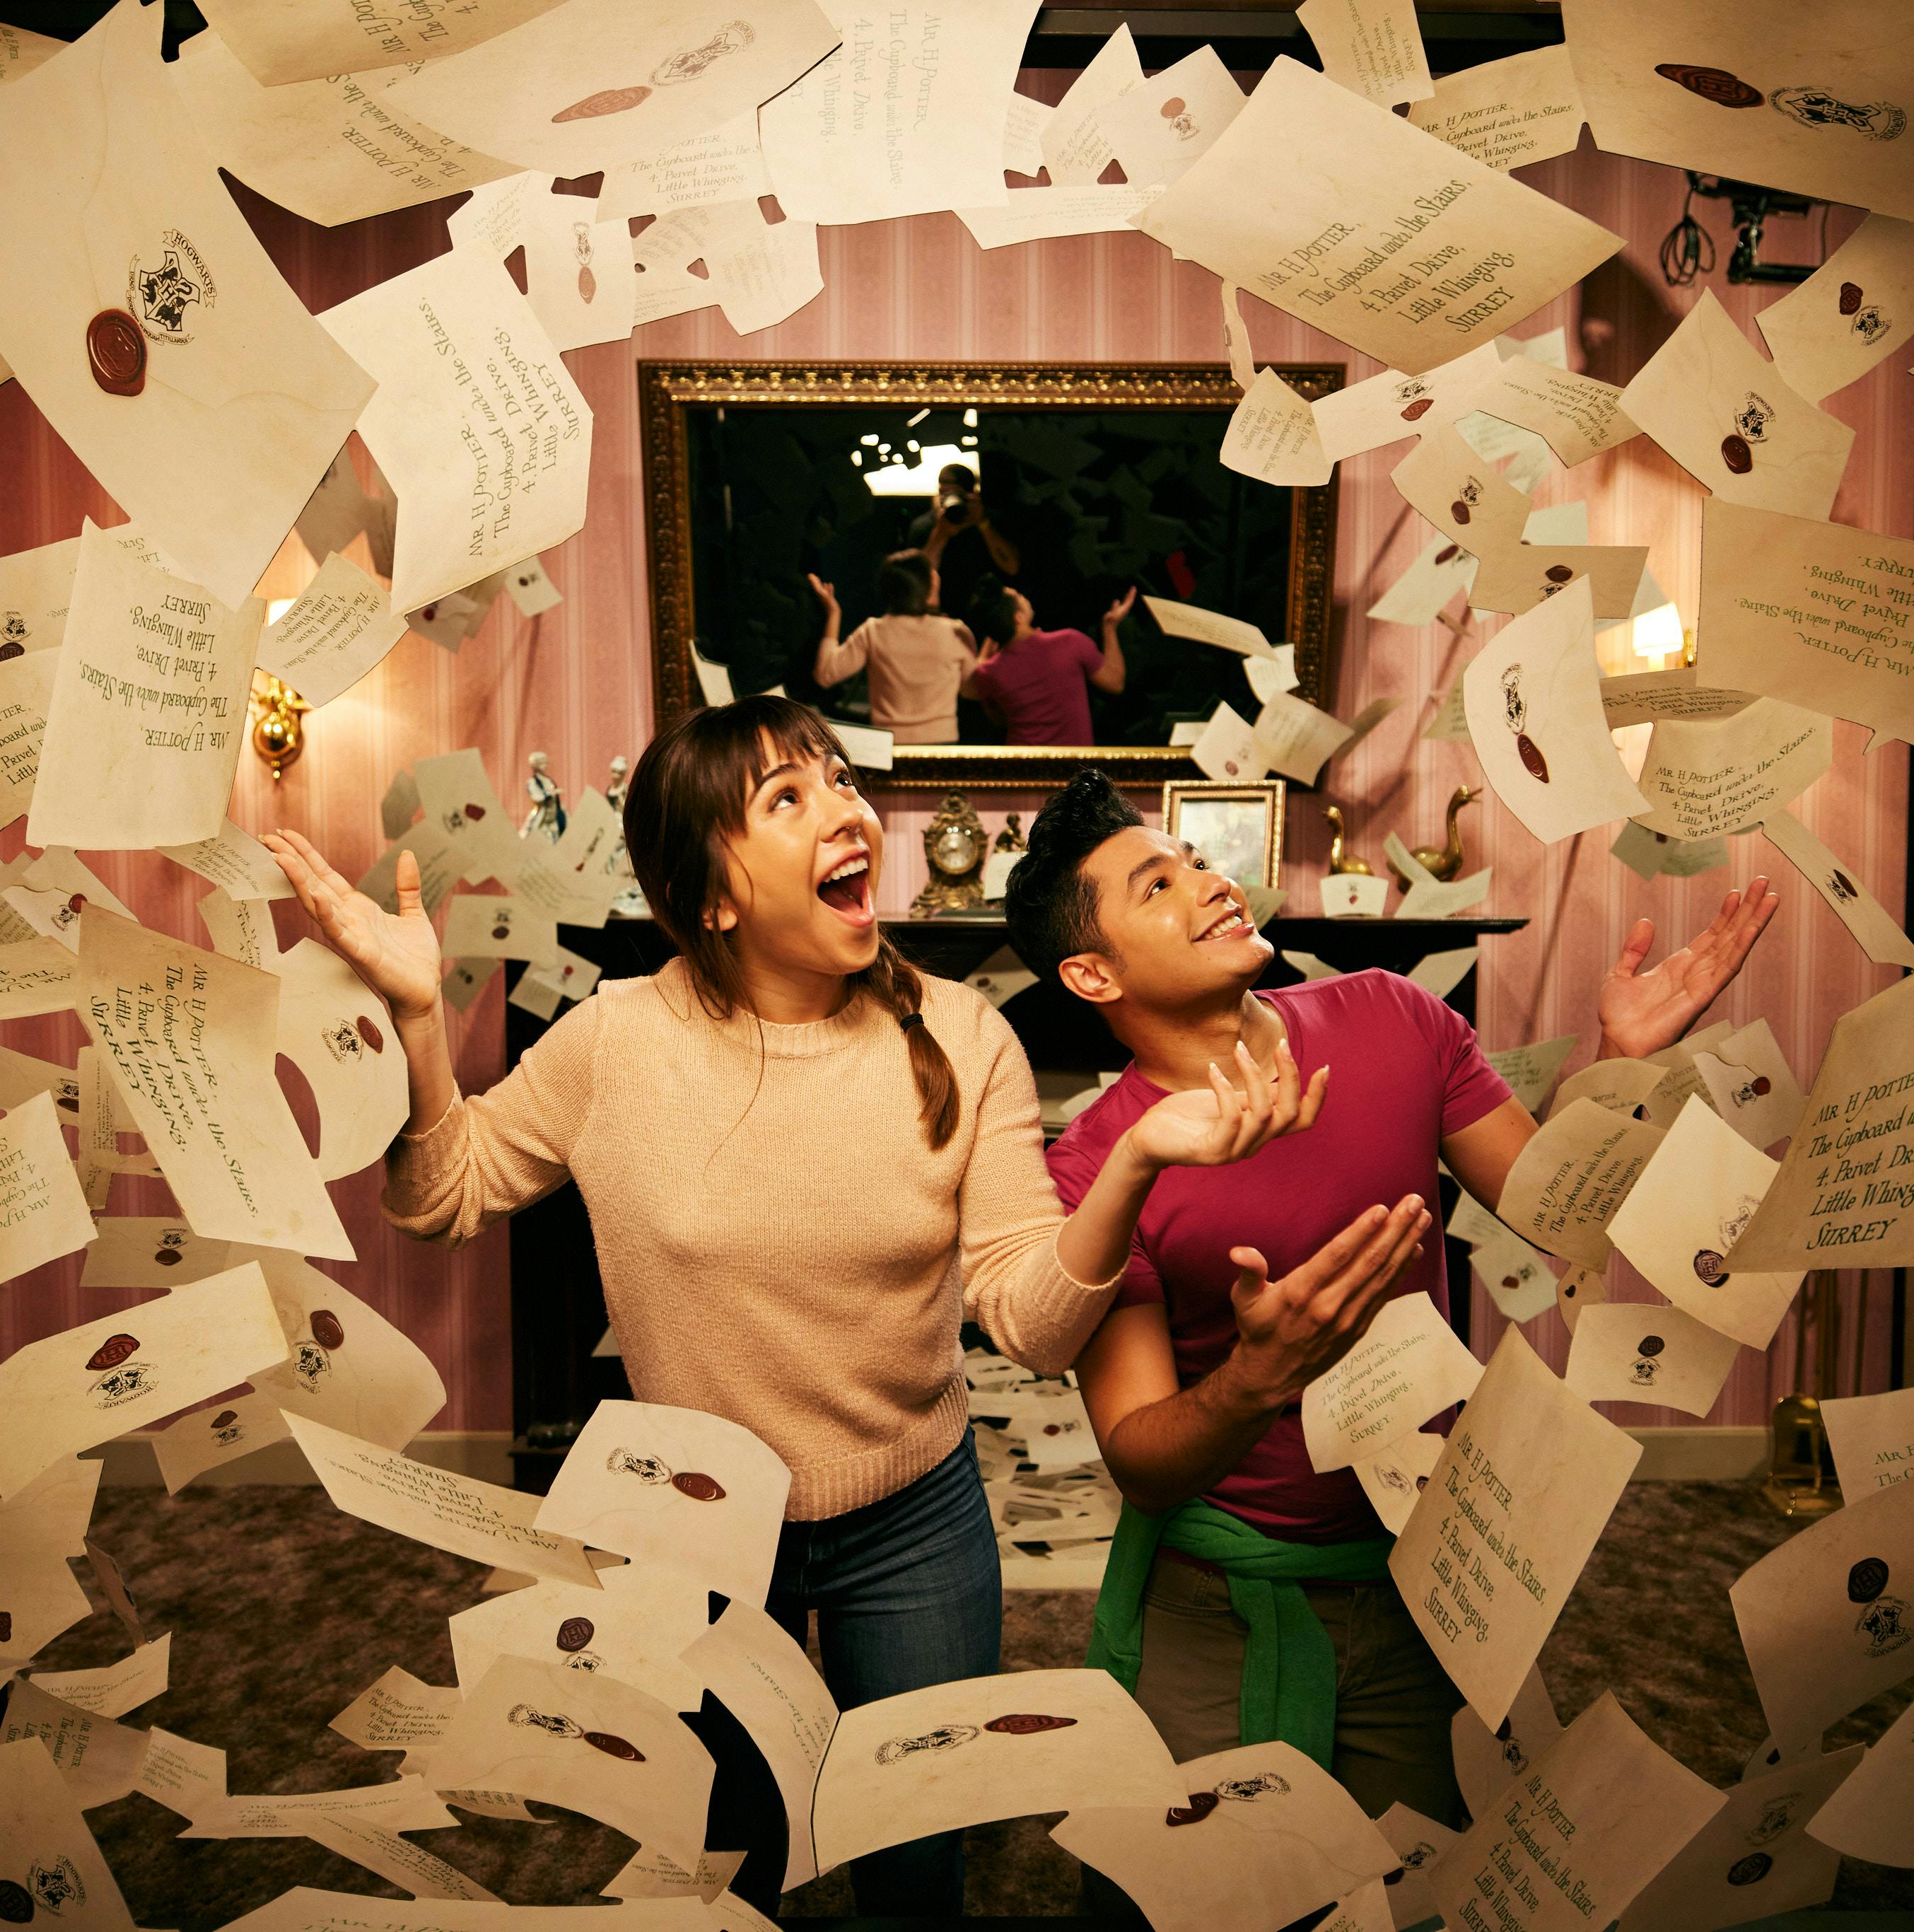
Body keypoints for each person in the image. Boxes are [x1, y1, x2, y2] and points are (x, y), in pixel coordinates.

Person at [258, 701, 1336, 1917]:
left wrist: (1134, 1157)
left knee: (916, 1865)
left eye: (838, 780)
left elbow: (1034, 1330)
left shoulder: (962, 1033)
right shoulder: (615, 1041)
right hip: (696, 1533)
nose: (846, 810)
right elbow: (439, 1197)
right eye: (789, 798)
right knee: (731, 1863)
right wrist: (417, 1021)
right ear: (712, 897)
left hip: (913, 1521)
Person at [1000, 770, 1778, 1839]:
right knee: (1202, 1888)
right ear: (1093, 973)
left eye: (1198, 862)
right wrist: (1256, 1378)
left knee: (1418, 1875)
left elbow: (1557, 1212)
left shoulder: (1392, 1015)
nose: (1212, 883)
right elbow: (1139, 1456)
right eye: (1158, 886)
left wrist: (1618, 1069)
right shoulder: (1099, 1167)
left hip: (1426, 1564)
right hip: (1220, 1594)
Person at [810, 552, 979, 745]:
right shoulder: (955, 632)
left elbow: (825, 675)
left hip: (890, 745)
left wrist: (833, 612)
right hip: (942, 745)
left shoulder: (874, 631)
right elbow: (972, 690)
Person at [966, 578, 1133, 746]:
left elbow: (1000, 721)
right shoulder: (1069, 642)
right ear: (1018, 618)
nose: (1023, 596)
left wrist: (994, 631)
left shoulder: (987, 673)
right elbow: (1115, 682)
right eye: (1018, 596)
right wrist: (1110, 627)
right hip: (1075, 759)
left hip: (1024, 759)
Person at [906, 461, 1020, 614]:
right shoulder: (926, 525)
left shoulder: (989, 519)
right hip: (943, 610)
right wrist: (941, 533)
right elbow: (918, 578)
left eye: (950, 483)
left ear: (969, 491)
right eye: (941, 482)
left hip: (988, 611)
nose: (943, 488)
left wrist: (983, 524)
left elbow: (1012, 567)